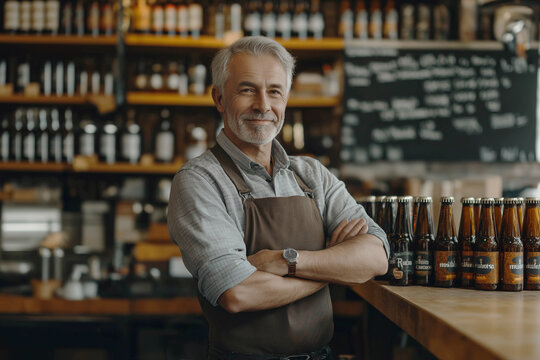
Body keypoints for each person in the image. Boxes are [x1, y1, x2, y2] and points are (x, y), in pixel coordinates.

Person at [168, 36, 389, 359]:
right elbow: (238, 292)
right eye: (247, 89)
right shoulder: (200, 181)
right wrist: (334, 267)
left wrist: (288, 261)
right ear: (219, 98)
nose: (263, 105)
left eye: (274, 91)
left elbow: (376, 257)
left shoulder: (312, 174)